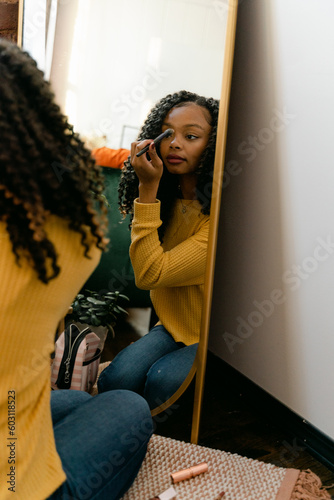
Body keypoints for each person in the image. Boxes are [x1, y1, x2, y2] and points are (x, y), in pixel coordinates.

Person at [0, 39, 153, 500]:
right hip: (15, 483)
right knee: (126, 405)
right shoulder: (72, 237)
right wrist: (145, 183)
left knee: (64, 401)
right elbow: (78, 159)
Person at [98, 90, 219, 409]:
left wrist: (146, 190)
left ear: (215, 145)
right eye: (168, 134)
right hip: (170, 325)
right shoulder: (168, 203)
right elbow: (144, 271)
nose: (175, 143)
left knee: (162, 382)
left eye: (191, 136)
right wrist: (151, 193)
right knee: (114, 380)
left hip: (211, 339)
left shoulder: (220, 219)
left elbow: (151, 275)